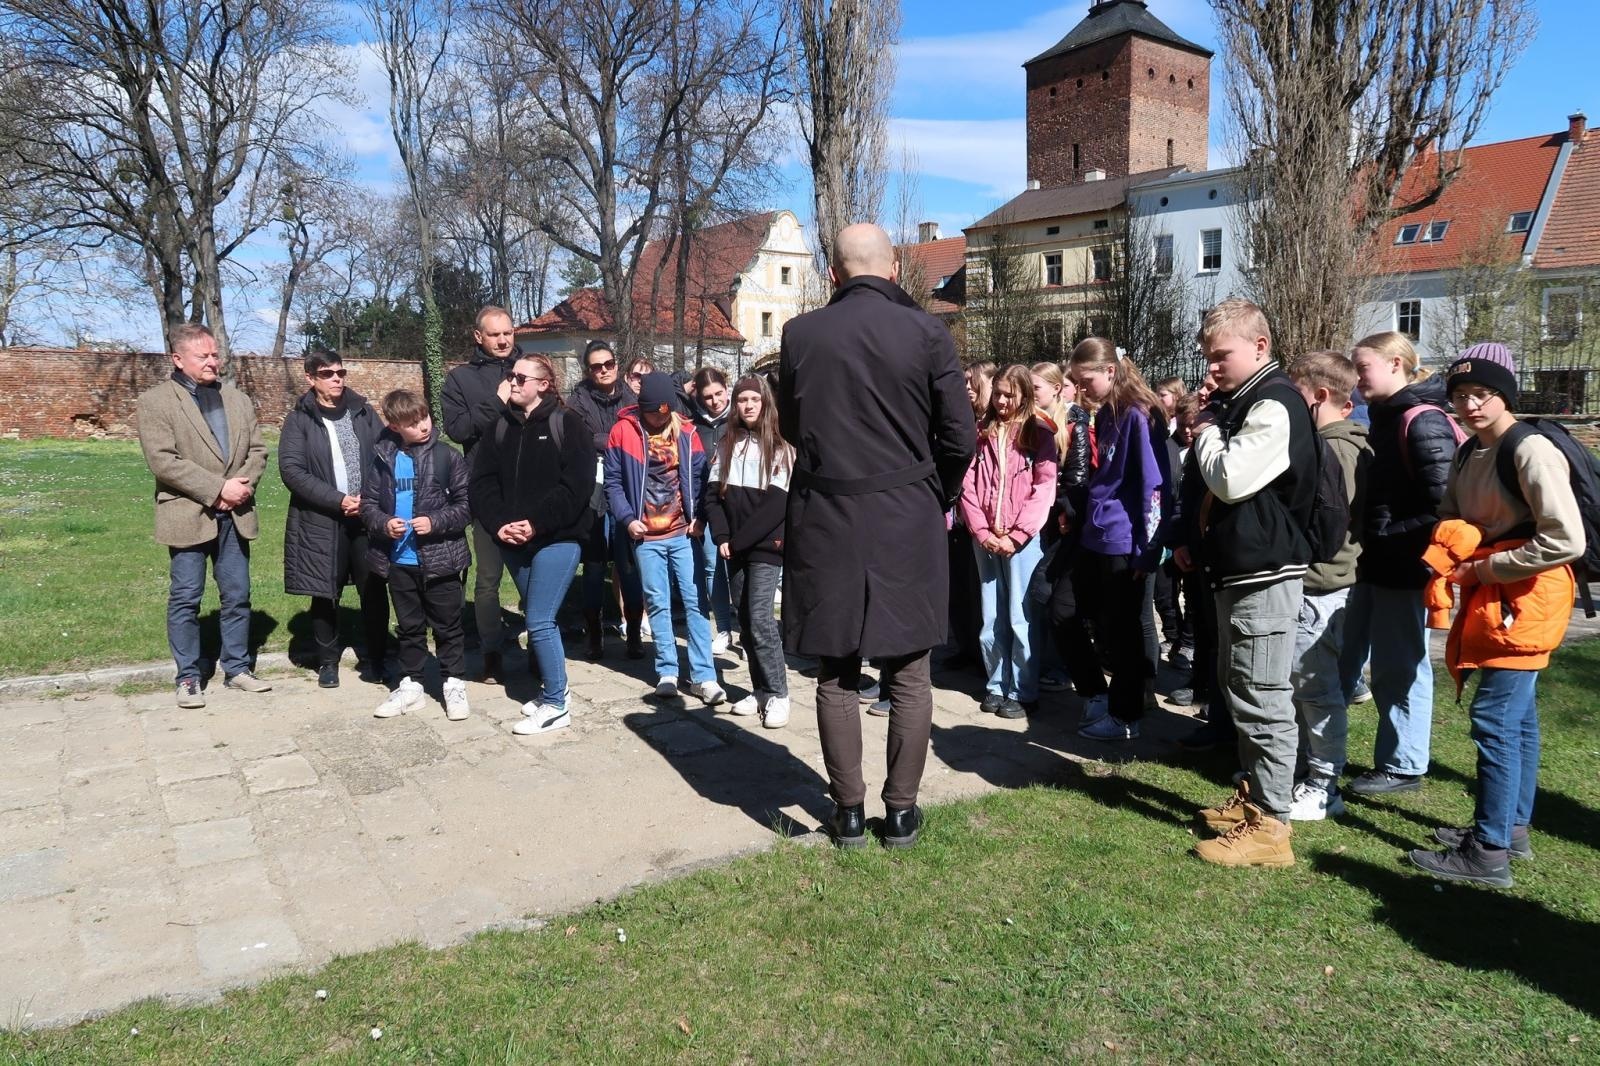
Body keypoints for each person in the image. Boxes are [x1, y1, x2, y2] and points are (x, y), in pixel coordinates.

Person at [778, 223, 975, 850]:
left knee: (835, 670)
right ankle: (902, 812)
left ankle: (849, 813)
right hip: (905, 515)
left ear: (832, 274)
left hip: (827, 513)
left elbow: (792, 426)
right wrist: (937, 492)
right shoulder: (927, 331)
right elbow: (960, 436)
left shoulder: (800, 333)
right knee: (910, 671)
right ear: (893, 271)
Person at [1406, 353, 1581, 888]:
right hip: (1496, 598)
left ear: (1505, 396)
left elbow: (1566, 539)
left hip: (1526, 600)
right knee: (1517, 720)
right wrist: (1458, 546)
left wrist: (1485, 567)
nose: (1470, 404)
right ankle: (1511, 828)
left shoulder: (1529, 449)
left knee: (1496, 721)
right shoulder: (1469, 452)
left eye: (1481, 394)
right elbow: (1452, 515)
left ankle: (1488, 851)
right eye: (1460, 396)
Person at [1186, 299, 1318, 867]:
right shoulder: (1247, 400)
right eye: (1208, 357)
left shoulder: (1274, 402)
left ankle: (1271, 825)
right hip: (1242, 568)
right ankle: (1253, 801)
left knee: (1262, 696)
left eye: (1222, 356)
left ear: (1260, 346)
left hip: (1265, 572)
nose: (1212, 367)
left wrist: (1205, 430)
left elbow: (1230, 478)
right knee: (1241, 687)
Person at [1340, 331, 1461, 795]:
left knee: (1401, 665)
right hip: (1377, 562)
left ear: (1395, 364)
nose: (1356, 377)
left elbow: (1444, 505)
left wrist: (1392, 537)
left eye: (1363, 367)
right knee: (1353, 657)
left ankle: (1403, 765)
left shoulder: (1421, 421)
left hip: (1405, 567)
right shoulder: (1387, 416)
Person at [136, 323, 271, 707]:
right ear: (178, 359)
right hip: (187, 514)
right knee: (186, 597)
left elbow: (258, 450)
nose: (213, 361)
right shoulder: (156, 402)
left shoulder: (237, 399)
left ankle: (237, 669)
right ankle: (188, 677)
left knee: (237, 596)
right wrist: (217, 489)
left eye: (215, 354)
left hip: (236, 513)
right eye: (203, 356)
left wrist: (241, 486)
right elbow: (163, 461)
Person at [471, 354, 596, 736]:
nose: (512, 382)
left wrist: (535, 524)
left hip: (558, 539)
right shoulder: (500, 427)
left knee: (539, 620)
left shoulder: (567, 424)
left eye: (521, 377)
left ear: (543, 384)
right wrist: (499, 525)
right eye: (511, 376)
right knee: (541, 617)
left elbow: (576, 487)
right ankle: (554, 691)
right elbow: (481, 483)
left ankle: (557, 704)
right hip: (512, 542)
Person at [604, 372, 727, 707]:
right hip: (646, 536)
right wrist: (627, 519)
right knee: (657, 602)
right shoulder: (622, 432)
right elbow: (613, 483)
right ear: (642, 408)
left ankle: (704, 676)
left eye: (664, 412)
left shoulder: (687, 432)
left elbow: (701, 480)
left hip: (684, 533)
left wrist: (700, 518)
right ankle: (667, 672)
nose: (660, 418)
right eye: (653, 413)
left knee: (695, 602)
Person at [1284, 352, 1371, 820]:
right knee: (1304, 688)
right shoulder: (1340, 444)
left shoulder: (1335, 450)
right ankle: (1303, 772)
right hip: (1324, 582)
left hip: (1321, 585)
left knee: (1317, 691)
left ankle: (1323, 787)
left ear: (1319, 396)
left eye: (1295, 393)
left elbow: (1326, 521)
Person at [1068, 338, 1168, 741]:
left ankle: (1126, 717)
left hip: (1125, 542)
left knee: (1126, 632)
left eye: (1086, 380)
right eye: (1076, 382)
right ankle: (1115, 702)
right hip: (1099, 535)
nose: (1081, 389)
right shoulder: (1107, 413)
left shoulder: (1137, 415)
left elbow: (1152, 485)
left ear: (1110, 371)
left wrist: (1147, 549)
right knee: (1102, 625)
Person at [278, 350, 388, 688]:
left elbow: (386, 453)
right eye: (327, 374)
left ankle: (378, 657)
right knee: (324, 590)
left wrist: (369, 500)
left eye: (340, 372)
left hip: (366, 516)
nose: (337, 378)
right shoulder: (300, 420)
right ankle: (328, 661)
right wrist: (338, 501)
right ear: (311, 378)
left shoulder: (363, 412)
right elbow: (292, 471)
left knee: (374, 588)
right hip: (323, 518)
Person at [363, 390, 473, 721]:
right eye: (412, 423)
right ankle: (411, 685)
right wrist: (384, 523)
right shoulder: (383, 459)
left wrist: (435, 522)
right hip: (399, 560)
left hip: (441, 559)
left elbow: (467, 506)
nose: (423, 426)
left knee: (448, 626)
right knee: (409, 627)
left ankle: (454, 683)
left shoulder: (446, 456)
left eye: (424, 418)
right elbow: (368, 505)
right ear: (394, 426)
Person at [959, 364, 1058, 718]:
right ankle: (996, 684)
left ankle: (1022, 689)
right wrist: (982, 531)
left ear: (1024, 395)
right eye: (998, 394)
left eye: (1009, 395)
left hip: (1021, 540)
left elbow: (1044, 488)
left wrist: (1016, 536)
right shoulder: (981, 432)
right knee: (991, 615)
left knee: (1020, 615)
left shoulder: (1039, 433)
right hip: (985, 538)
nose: (1001, 401)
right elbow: (967, 485)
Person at [705, 375, 795, 727]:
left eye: (754, 399)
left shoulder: (781, 447)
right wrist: (722, 536)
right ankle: (759, 689)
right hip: (733, 547)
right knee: (744, 619)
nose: (748, 406)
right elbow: (712, 496)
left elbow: (777, 505)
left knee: (760, 618)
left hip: (765, 546)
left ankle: (778, 694)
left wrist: (740, 540)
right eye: (742, 400)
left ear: (765, 402)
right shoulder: (726, 444)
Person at [442, 306, 517, 682]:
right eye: (494, 334)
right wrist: (498, 402)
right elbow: (457, 429)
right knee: (488, 578)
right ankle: (492, 652)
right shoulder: (460, 379)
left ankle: (541, 649)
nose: (503, 340)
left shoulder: (530, 369)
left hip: (529, 489)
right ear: (478, 337)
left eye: (508, 333)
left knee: (533, 577)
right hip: (486, 492)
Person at [567, 339, 644, 660]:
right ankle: (594, 635)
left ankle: (634, 632)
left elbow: (641, 435)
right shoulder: (577, 401)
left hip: (627, 489)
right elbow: (581, 440)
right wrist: (618, 439)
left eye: (608, 364)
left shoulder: (632, 398)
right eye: (596, 366)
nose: (603, 370)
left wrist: (605, 440)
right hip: (592, 491)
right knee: (595, 566)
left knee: (629, 565)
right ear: (588, 370)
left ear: (616, 364)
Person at [687, 366, 737, 652]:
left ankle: (749, 627)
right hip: (707, 506)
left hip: (739, 504)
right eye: (708, 397)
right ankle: (724, 628)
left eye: (719, 394)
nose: (715, 401)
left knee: (741, 570)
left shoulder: (740, 419)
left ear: (726, 390)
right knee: (711, 567)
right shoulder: (694, 426)